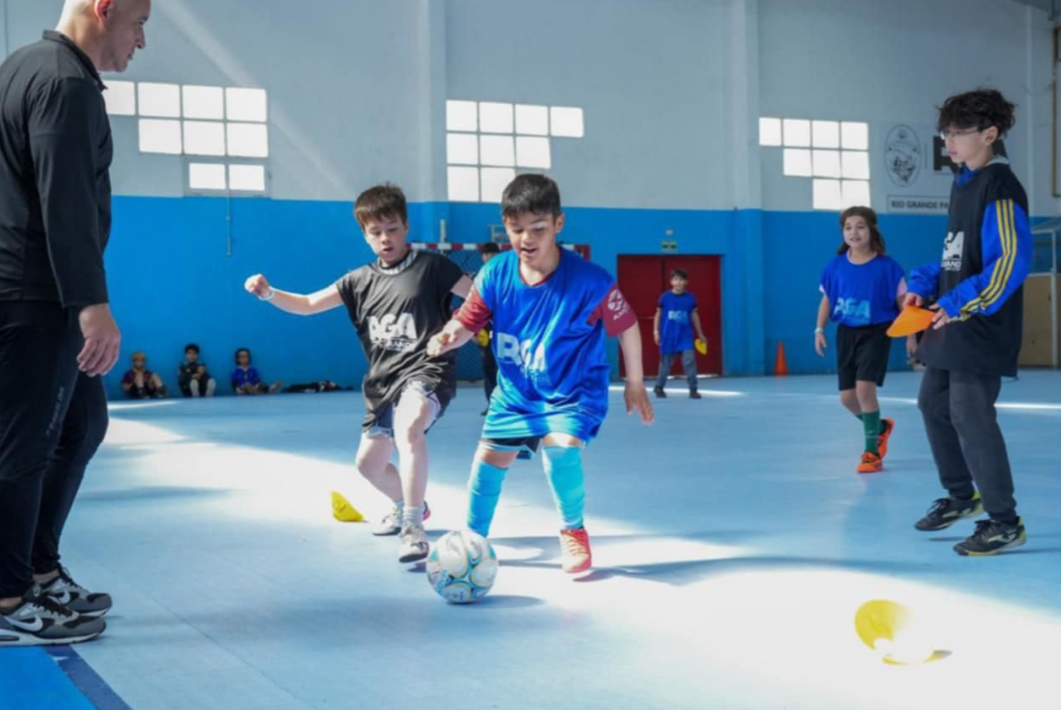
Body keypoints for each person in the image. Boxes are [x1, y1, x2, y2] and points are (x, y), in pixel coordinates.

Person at [0, 0, 150, 647]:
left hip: (36, 293)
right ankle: (8, 598)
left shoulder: (26, 67)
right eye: (139, 23)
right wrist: (92, 305)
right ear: (103, 7)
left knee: (82, 421)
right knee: (23, 445)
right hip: (37, 295)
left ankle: (35, 567)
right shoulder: (63, 82)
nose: (140, 41)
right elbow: (65, 203)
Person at [427, 174, 654, 574]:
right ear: (505, 226)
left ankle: (573, 531)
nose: (526, 239)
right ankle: (472, 541)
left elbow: (628, 326)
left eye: (538, 229)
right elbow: (468, 320)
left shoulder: (591, 281)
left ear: (558, 224)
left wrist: (635, 382)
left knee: (561, 451)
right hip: (516, 392)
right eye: (516, 230)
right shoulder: (495, 273)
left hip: (574, 391)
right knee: (487, 464)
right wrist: (450, 335)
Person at [244, 184, 472, 563]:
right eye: (376, 231)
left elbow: (478, 295)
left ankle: (414, 527)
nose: (386, 238)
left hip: (426, 369)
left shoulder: (433, 267)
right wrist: (269, 293)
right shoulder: (358, 281)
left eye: (393, 228)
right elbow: (307, 304)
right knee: (368, 464)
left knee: (409, 426)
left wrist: (457, 331)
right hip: (382, 382)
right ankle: (407, 503)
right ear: (365, 235)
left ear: (406, 226)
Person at [907, 88, 1032, 556]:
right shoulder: (962, 183)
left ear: (990, 134)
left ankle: (1004, 521)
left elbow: (1010, 263)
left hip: (981, 325)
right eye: (945, 133)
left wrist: (960, 300)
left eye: (959, 133)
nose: (949, 142)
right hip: (952, 318)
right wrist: (926, 282)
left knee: (970, 416)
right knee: (933, 405)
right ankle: (962, 497)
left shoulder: (999, 186)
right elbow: (957, 256)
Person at [814, 206, 909, 474]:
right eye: (848, 227)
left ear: (871, 230)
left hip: (877, 331)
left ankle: (871, 453)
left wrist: (913, 335)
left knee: (865, 389)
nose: (854, 232)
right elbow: (827, 300)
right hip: (846, 332)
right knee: (847, 398)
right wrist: (819, 330)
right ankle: (880, 428)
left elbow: (904, 303)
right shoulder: (835, 266)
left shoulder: (887, 267)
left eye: (860, 226)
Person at [653, 268, 707, 399]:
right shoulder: (665, 297)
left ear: (686, 282)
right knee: (665, 365)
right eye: (676, 279)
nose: (679, 282)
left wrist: (700, 333)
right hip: (668, 336)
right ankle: (659, 387)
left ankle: (693, 389)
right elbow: (658, 314)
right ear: (671, 281)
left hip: (685, 337)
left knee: (689, 362)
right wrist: (656, 331)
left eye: (682, 279)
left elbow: (694, 315)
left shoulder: (690, 298)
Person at [477, 242, 501, 415]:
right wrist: (472, 328)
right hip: (485, 330)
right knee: (488, 366)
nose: (489, 257)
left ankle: (508, 404)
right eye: (486, 254)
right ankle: (492, 403)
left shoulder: (508, 275)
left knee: (507, 368)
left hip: (506, 331)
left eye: (493, 254)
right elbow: (473, 306)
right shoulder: (479, 278)